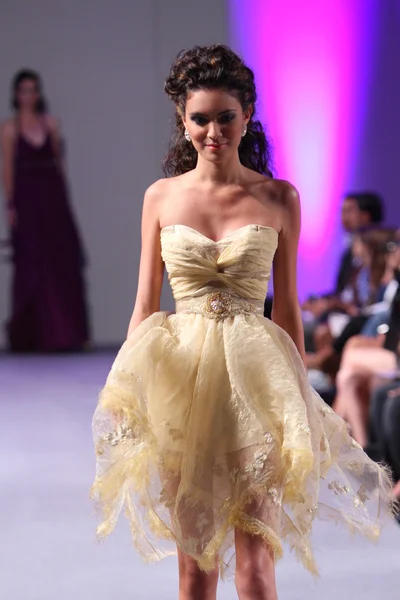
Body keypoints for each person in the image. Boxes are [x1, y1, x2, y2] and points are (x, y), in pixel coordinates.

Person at [91, 45, 393, 599]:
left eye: (225, 117)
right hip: (181, 385)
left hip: (257, 384)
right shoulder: (159, 198)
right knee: (195, 569)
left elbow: (286, 307)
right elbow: (145, 303)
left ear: (247, 115)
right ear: (183, 124)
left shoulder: (279, 197)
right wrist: (126, 393)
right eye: (200, 119)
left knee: (256, 569)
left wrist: (298, 394)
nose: (213, 131)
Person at [0, 69, 89, 352]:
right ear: (16, 95)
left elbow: (59, 165)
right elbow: (7, 170)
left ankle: (65, 335)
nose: (29, 95)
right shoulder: (9, 128)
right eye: (24, 90)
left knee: (60, 264)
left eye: (33, 89)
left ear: (39, 93)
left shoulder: (50, 123)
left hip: (52, 198)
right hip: (27, 199)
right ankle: (31, 337)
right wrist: (11, 206)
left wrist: (65, 200)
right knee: (31, 264)